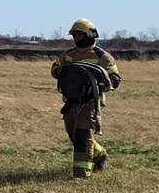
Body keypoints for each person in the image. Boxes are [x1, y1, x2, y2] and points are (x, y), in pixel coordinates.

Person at [51, 18, 122, 179]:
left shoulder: (102, 57)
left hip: (91, 102)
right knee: (74, 136)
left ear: (90, 35)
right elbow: (55, 68)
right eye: (74, 36)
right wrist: (60, 71)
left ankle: (81, 175)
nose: (76, 39)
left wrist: (97, 83)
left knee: (82, 135)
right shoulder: (69, 55)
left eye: (79, 35)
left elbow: (115, 79)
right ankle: (100, 154)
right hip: (71, 101)